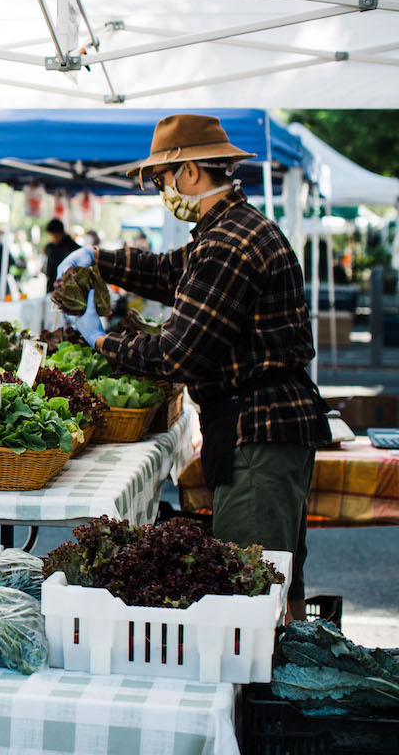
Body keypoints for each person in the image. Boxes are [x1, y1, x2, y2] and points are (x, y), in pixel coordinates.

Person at [58, 114, 331, 621]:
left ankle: (259, 693)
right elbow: (169, 271)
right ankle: (281, 674)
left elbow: (178, 356)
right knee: (278, 583)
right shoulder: (230, 229)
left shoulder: (228, 243)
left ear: (188, 173)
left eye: (162, 179)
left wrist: (102, 340)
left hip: (258, 430)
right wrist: (98, 259)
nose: (164, 189)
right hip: (268, 425)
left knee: (248, 598)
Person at [42, 217, 80, 294]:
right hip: (52, 287)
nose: (53, 239)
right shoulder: (50, 247)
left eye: (55, 236)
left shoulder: (72, 247)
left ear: (61, 233)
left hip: (68, 288)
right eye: (51, 236)